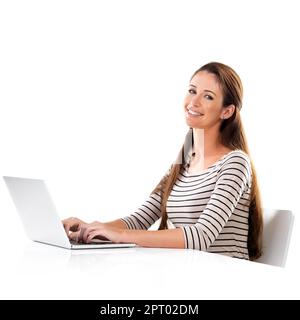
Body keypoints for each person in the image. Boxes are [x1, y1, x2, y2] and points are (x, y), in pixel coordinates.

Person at [63, 62, 263, 260]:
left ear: (226, 111)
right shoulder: (183, 162)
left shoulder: (235, 162)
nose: (194, 102)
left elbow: (202, 236)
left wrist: (120, 237)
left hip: (228, 280)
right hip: (192, 274)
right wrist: (90, 229)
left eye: (208, 96)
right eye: (192, 91)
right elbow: (139, 220)